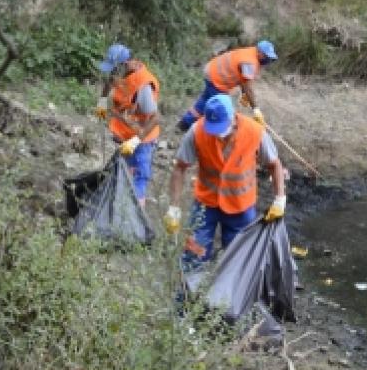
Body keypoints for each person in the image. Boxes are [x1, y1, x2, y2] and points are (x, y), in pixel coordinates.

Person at [165, 94, 286, 279]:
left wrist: (280, 199)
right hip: (206, 205)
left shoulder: (255, 132)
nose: (216, 132)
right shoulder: (197, 131)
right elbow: (180, 168)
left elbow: (274, 165)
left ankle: (231, 304)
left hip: (241, 207)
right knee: (193, 253)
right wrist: (173, 207)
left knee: (238, 259)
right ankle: (188, 301)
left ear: (232, 118)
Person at [93, 43, 161, 206]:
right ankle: (119, 210)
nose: (112, 73)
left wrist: (136, 141)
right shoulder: (121, 73)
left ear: (125, 64)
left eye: (114, 69)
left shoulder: (143, 85)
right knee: (122, 174)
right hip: (125, 136)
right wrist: (101, 106)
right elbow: (109, 84)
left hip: (142, 140)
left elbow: (156, 118)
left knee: (138, 180)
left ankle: (136, 222)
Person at [178, 40, 277, 132]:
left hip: (212, 71)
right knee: (223, 109)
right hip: (217, 80)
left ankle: (184, 124)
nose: (268, 60)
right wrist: (256, 109)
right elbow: (247, 86)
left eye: (269, 58)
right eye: (266, 57)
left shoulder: (250, 52)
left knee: (205, 101)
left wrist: (244, 94)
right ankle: (209, 131)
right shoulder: (249, 62)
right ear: (259, 52)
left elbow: (243, 79)